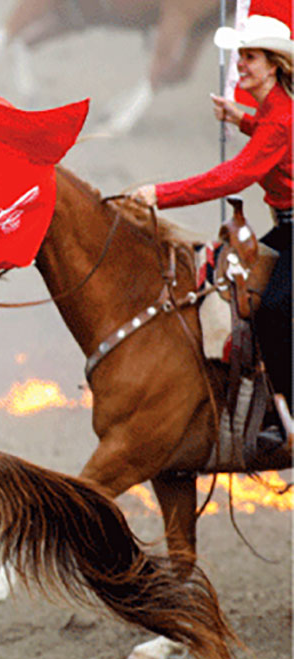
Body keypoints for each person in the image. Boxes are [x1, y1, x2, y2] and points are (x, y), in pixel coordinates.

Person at [132, 14, 292, 411]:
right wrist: (243, 120)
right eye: (240, 56)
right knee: (232, 279)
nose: (240, 65)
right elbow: (274, 136)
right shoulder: (276, 109)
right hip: (286, 227)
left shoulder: (280, 118)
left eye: (250, 57)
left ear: (273, 65)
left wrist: (159, 194)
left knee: (272, 309)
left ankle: (289, 408)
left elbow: (232, 177)